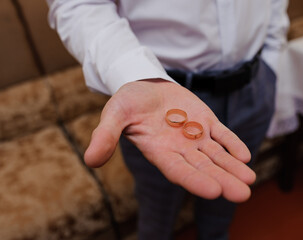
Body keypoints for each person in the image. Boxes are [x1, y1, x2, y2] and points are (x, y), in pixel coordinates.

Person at [47, 0, 289, 239]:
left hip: (256, 87)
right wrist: (136, 74)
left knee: (224, 204)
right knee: (156, 216)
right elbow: (78, 4)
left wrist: (271, 59)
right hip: (156, 100)